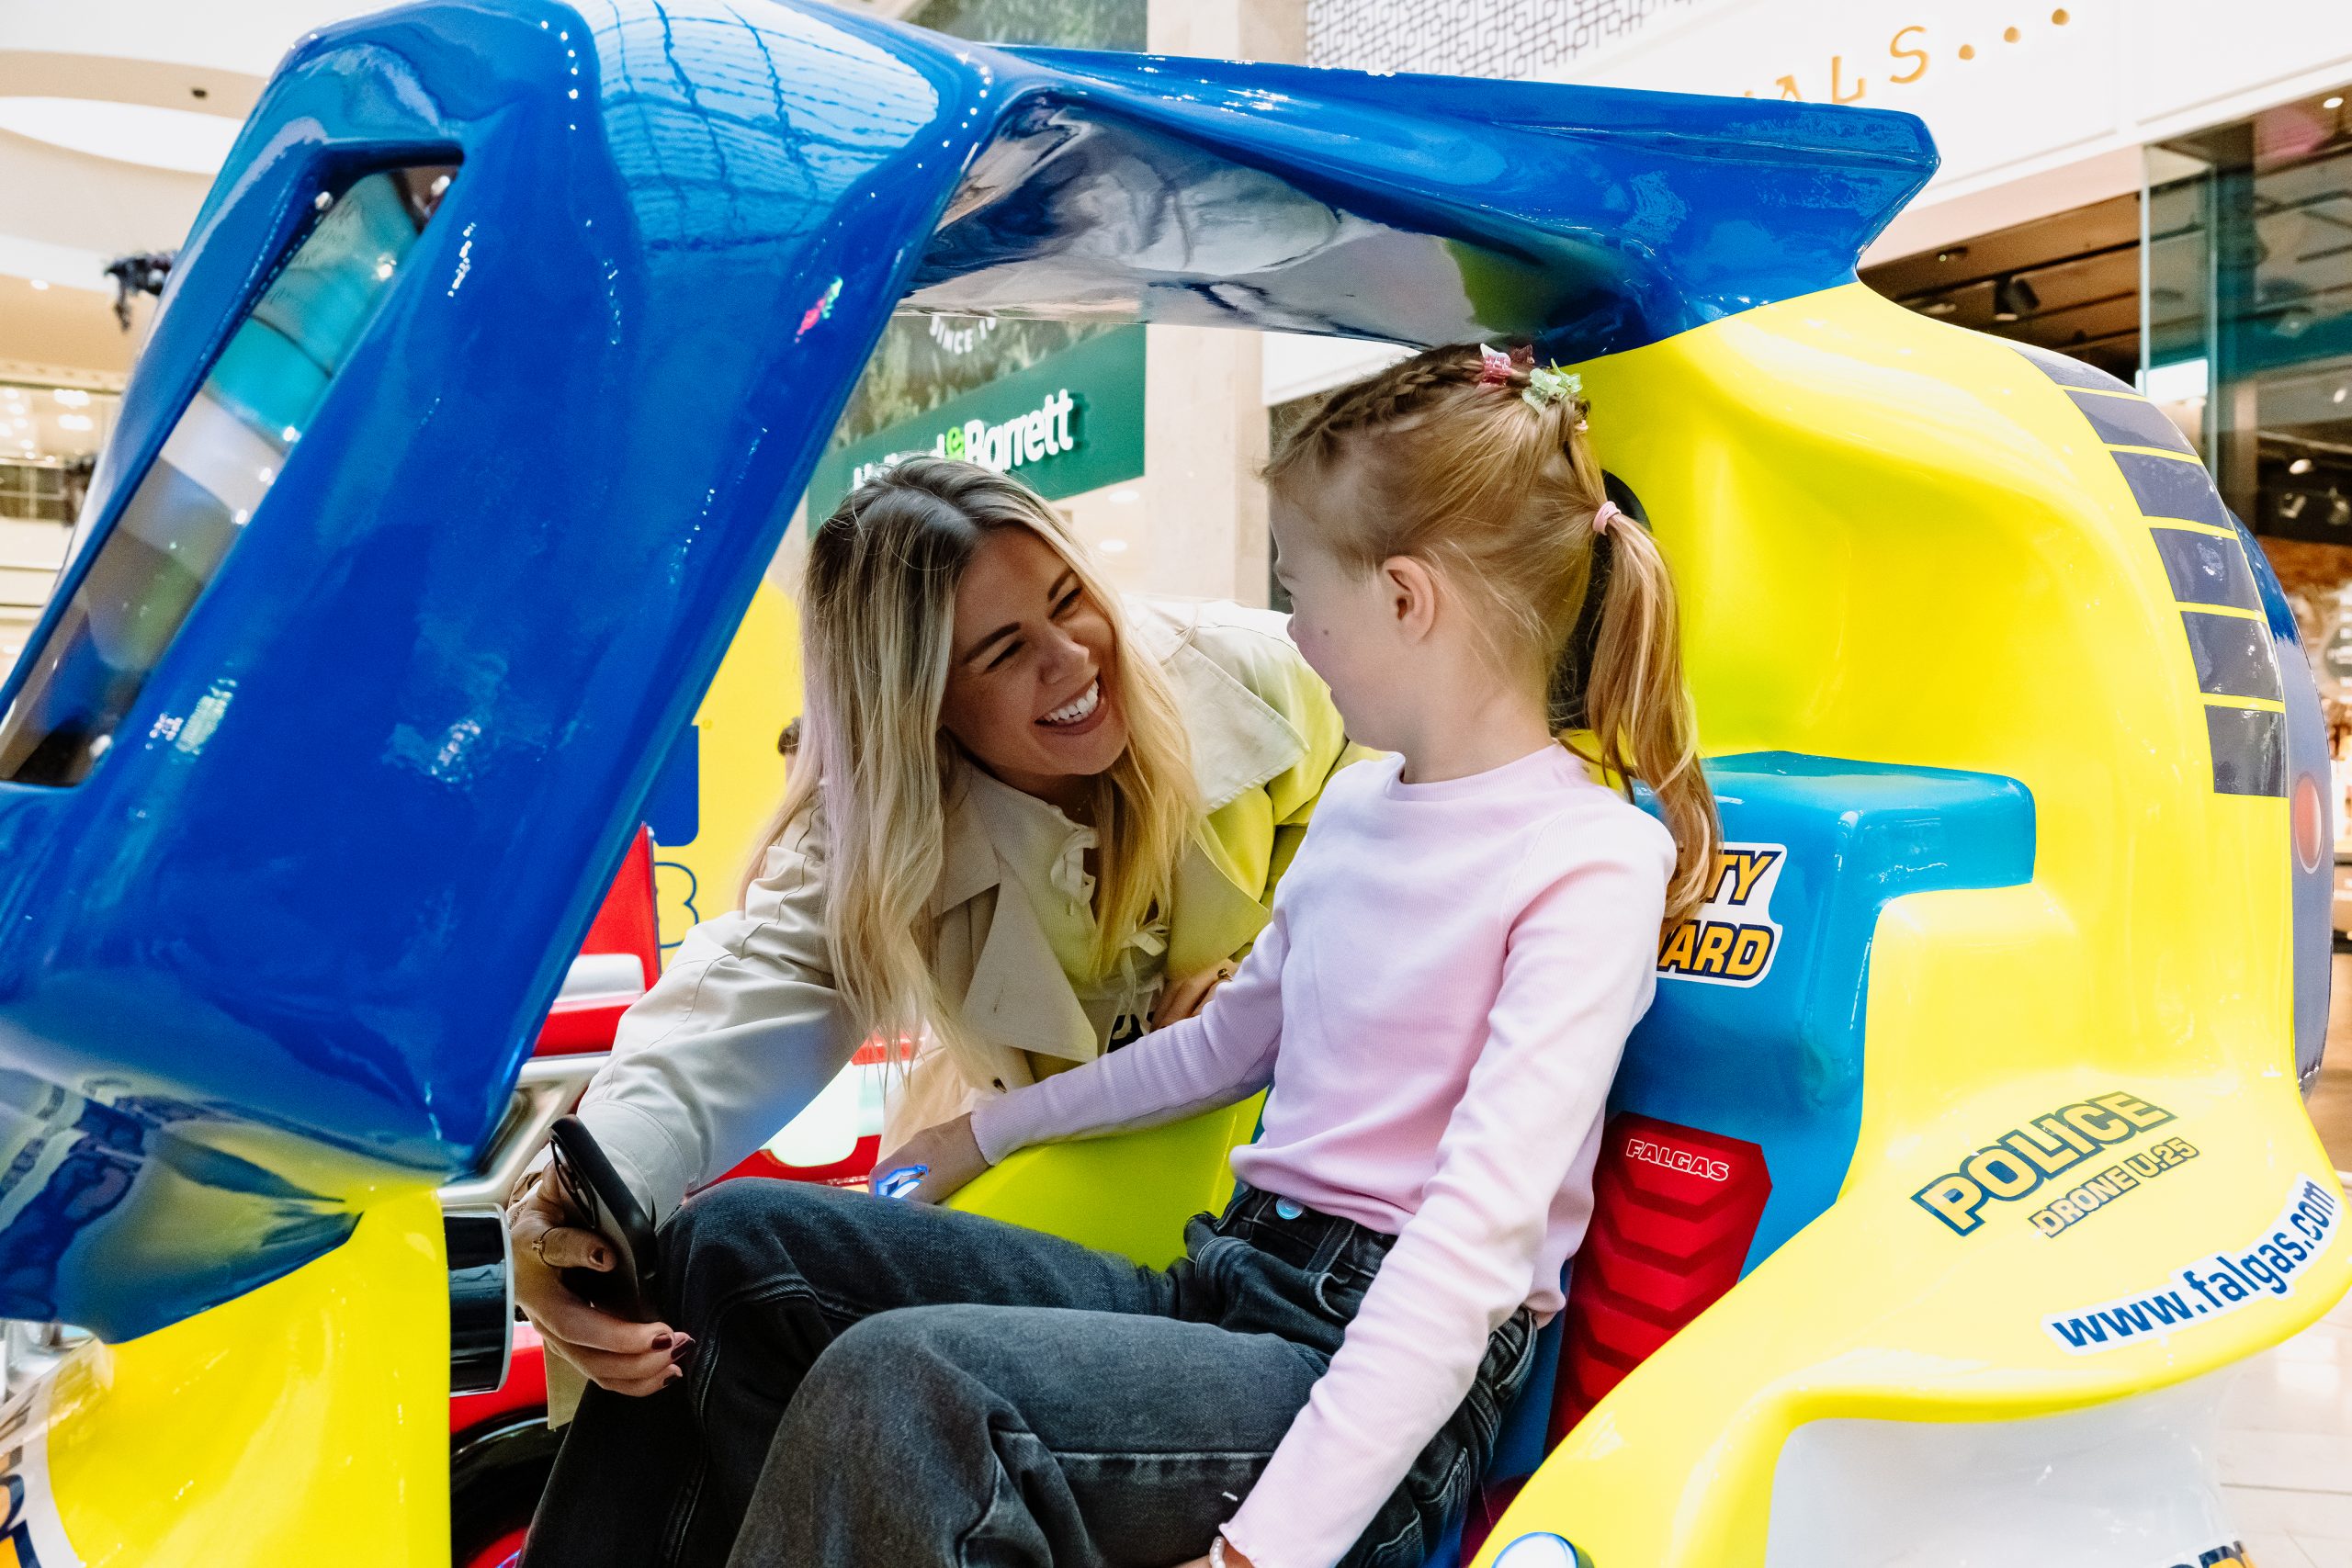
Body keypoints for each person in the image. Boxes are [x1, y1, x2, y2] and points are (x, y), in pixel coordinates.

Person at [522, 341, 1720, 1568]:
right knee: (734, 1249)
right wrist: (984, 1131)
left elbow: (1467, 1254)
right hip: (1234, 1283)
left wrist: (1263, 1552)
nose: (1296, 631)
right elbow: (1226, 1042)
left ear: (1406, 600)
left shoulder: (1587, 860)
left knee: (911, 1387)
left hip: (1378, 1405)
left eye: (1303, 590)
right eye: (1001, 651)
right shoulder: (1365, 807)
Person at [508, 456, 1361, 1418]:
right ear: (922, 706)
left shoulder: (1252, 671)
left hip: (1297, 1204)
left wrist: (1273, 964)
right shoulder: (871, 833)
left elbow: (1411, 790)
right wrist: (578, 1205)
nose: (1072, 658)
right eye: (1001, 651)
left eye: (1070, 599)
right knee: (725, 1261)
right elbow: (746, 993)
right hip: (1080, 1192)